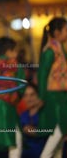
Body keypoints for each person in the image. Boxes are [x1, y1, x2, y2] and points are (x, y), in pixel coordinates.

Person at [38, 17, 67, 158]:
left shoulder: (60, 49)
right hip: (52, 97)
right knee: (58, 131)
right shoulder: (50, 51)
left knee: (60, 139)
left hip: (61, 95)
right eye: (66, 30)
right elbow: (42, 74)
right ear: (56, 32)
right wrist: (42, 97)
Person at [20, 83, 47, 158]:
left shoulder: (45, 114)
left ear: (38, 95)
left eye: (32, 95)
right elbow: (26, 130)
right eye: (26, 96)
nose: (29, 99)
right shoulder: (23, 115)